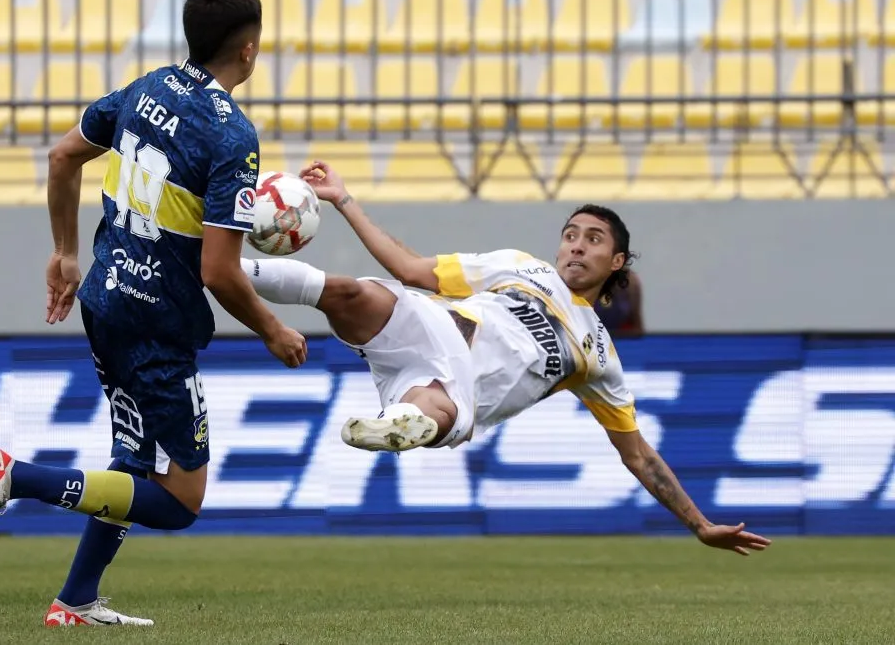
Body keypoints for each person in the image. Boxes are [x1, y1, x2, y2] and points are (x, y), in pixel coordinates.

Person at [0, 0, 306, 627]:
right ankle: (14, 477)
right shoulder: (233, 136)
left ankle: (76, 599)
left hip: (106, 300)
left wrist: (64, 253)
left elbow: (63, 156)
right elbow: (219, 271)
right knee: (181, 500)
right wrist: (273, 329)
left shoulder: (148, 87)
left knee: (136, 458)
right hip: (159, 321)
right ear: (249, 50)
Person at [239, 160, 772, 557]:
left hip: (460, 386)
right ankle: (221, 270)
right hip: (432, 325)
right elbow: (411, 269)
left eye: (592, 240)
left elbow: (639, 456)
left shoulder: (599, 356)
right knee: (350, 293)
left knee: (435, 407)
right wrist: (343, 199)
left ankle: (400, 423)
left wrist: (699, 524)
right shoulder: (521, 267)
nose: (576, 246)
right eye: (570, 236)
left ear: (616, 261)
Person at [594, 270, 644, 336]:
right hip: (593, 334)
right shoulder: (589, 278)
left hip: (622, 337)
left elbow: (637, 324)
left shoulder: (631, 281)